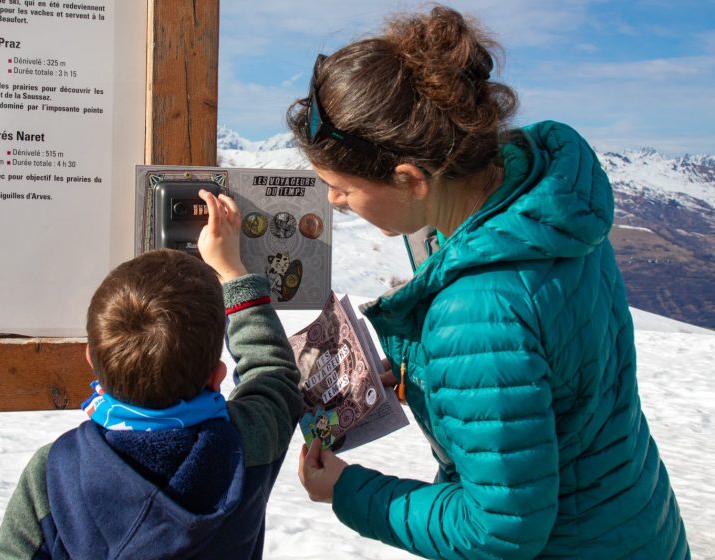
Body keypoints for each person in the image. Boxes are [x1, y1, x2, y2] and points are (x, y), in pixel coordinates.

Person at [290, 5, 689, 559]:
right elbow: (554, 372)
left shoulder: (474, 310)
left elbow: (497, 531)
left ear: (410, 179)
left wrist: (348, 490)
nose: (333, 201)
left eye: (341, 187)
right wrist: (429, 373)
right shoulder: (545, 207)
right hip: (636, 521)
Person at [0, 191, 303, 559]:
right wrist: (232, 270)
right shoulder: (246, 444)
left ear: (91, 359)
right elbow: (273, 372)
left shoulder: (55, 473)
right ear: (217, 377)